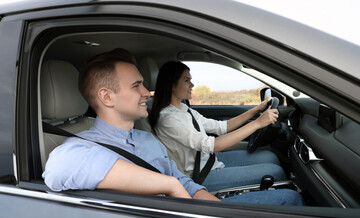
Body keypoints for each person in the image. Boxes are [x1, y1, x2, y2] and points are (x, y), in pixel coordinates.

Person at [42, 48, 303, 205]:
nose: (147, 92)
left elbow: (185, 184)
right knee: (289, 199)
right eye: (137, 86)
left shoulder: (146, 140)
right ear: (107, 97)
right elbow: (57, 169)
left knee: (288, 198)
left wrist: (220, 215)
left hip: (191, 214)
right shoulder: (78, 148)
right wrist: (167, 185)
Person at [149, 61, 286, 192]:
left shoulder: (183, 109)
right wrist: (257, 123)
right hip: (202, 174)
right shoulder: (168, 119)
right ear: (171, 85)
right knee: (276, 172)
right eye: (186, 80)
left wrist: (256, 110)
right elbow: (212, 146)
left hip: (211, 161)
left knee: (270, 157)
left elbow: (221, 127)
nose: (192, 84)